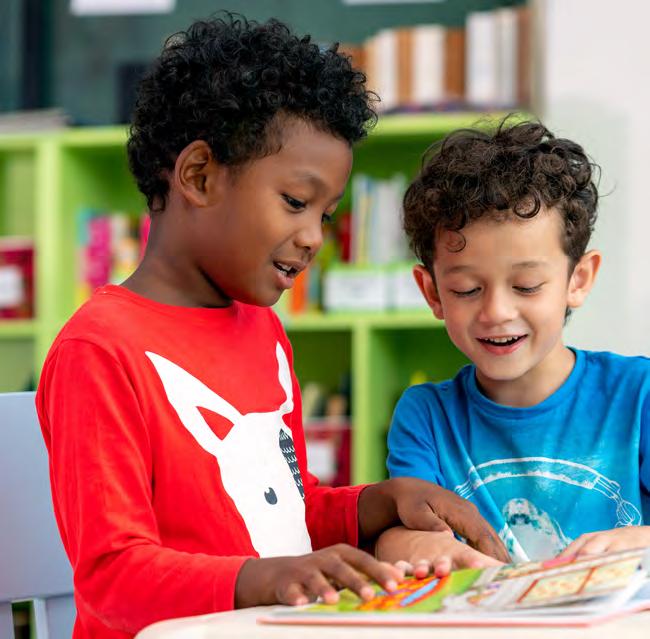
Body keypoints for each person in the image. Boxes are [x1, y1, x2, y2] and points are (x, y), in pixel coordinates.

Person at [35, 14, 506, 639]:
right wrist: (267, 579)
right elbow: (111, 576)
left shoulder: (262, 328)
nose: (312, 238)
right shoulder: (99, 350)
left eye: (325, 215)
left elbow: (285, 510)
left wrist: (380, 501)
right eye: (295, 202)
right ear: (199, 176)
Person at [386, 116, 650, 564]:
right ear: (432, 293)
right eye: (467, 289)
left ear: (578, 280)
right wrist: (415, 546)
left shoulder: (638, 394)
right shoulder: (426, 416)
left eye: (526, 286)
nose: (496, 312)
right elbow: (399, 537)